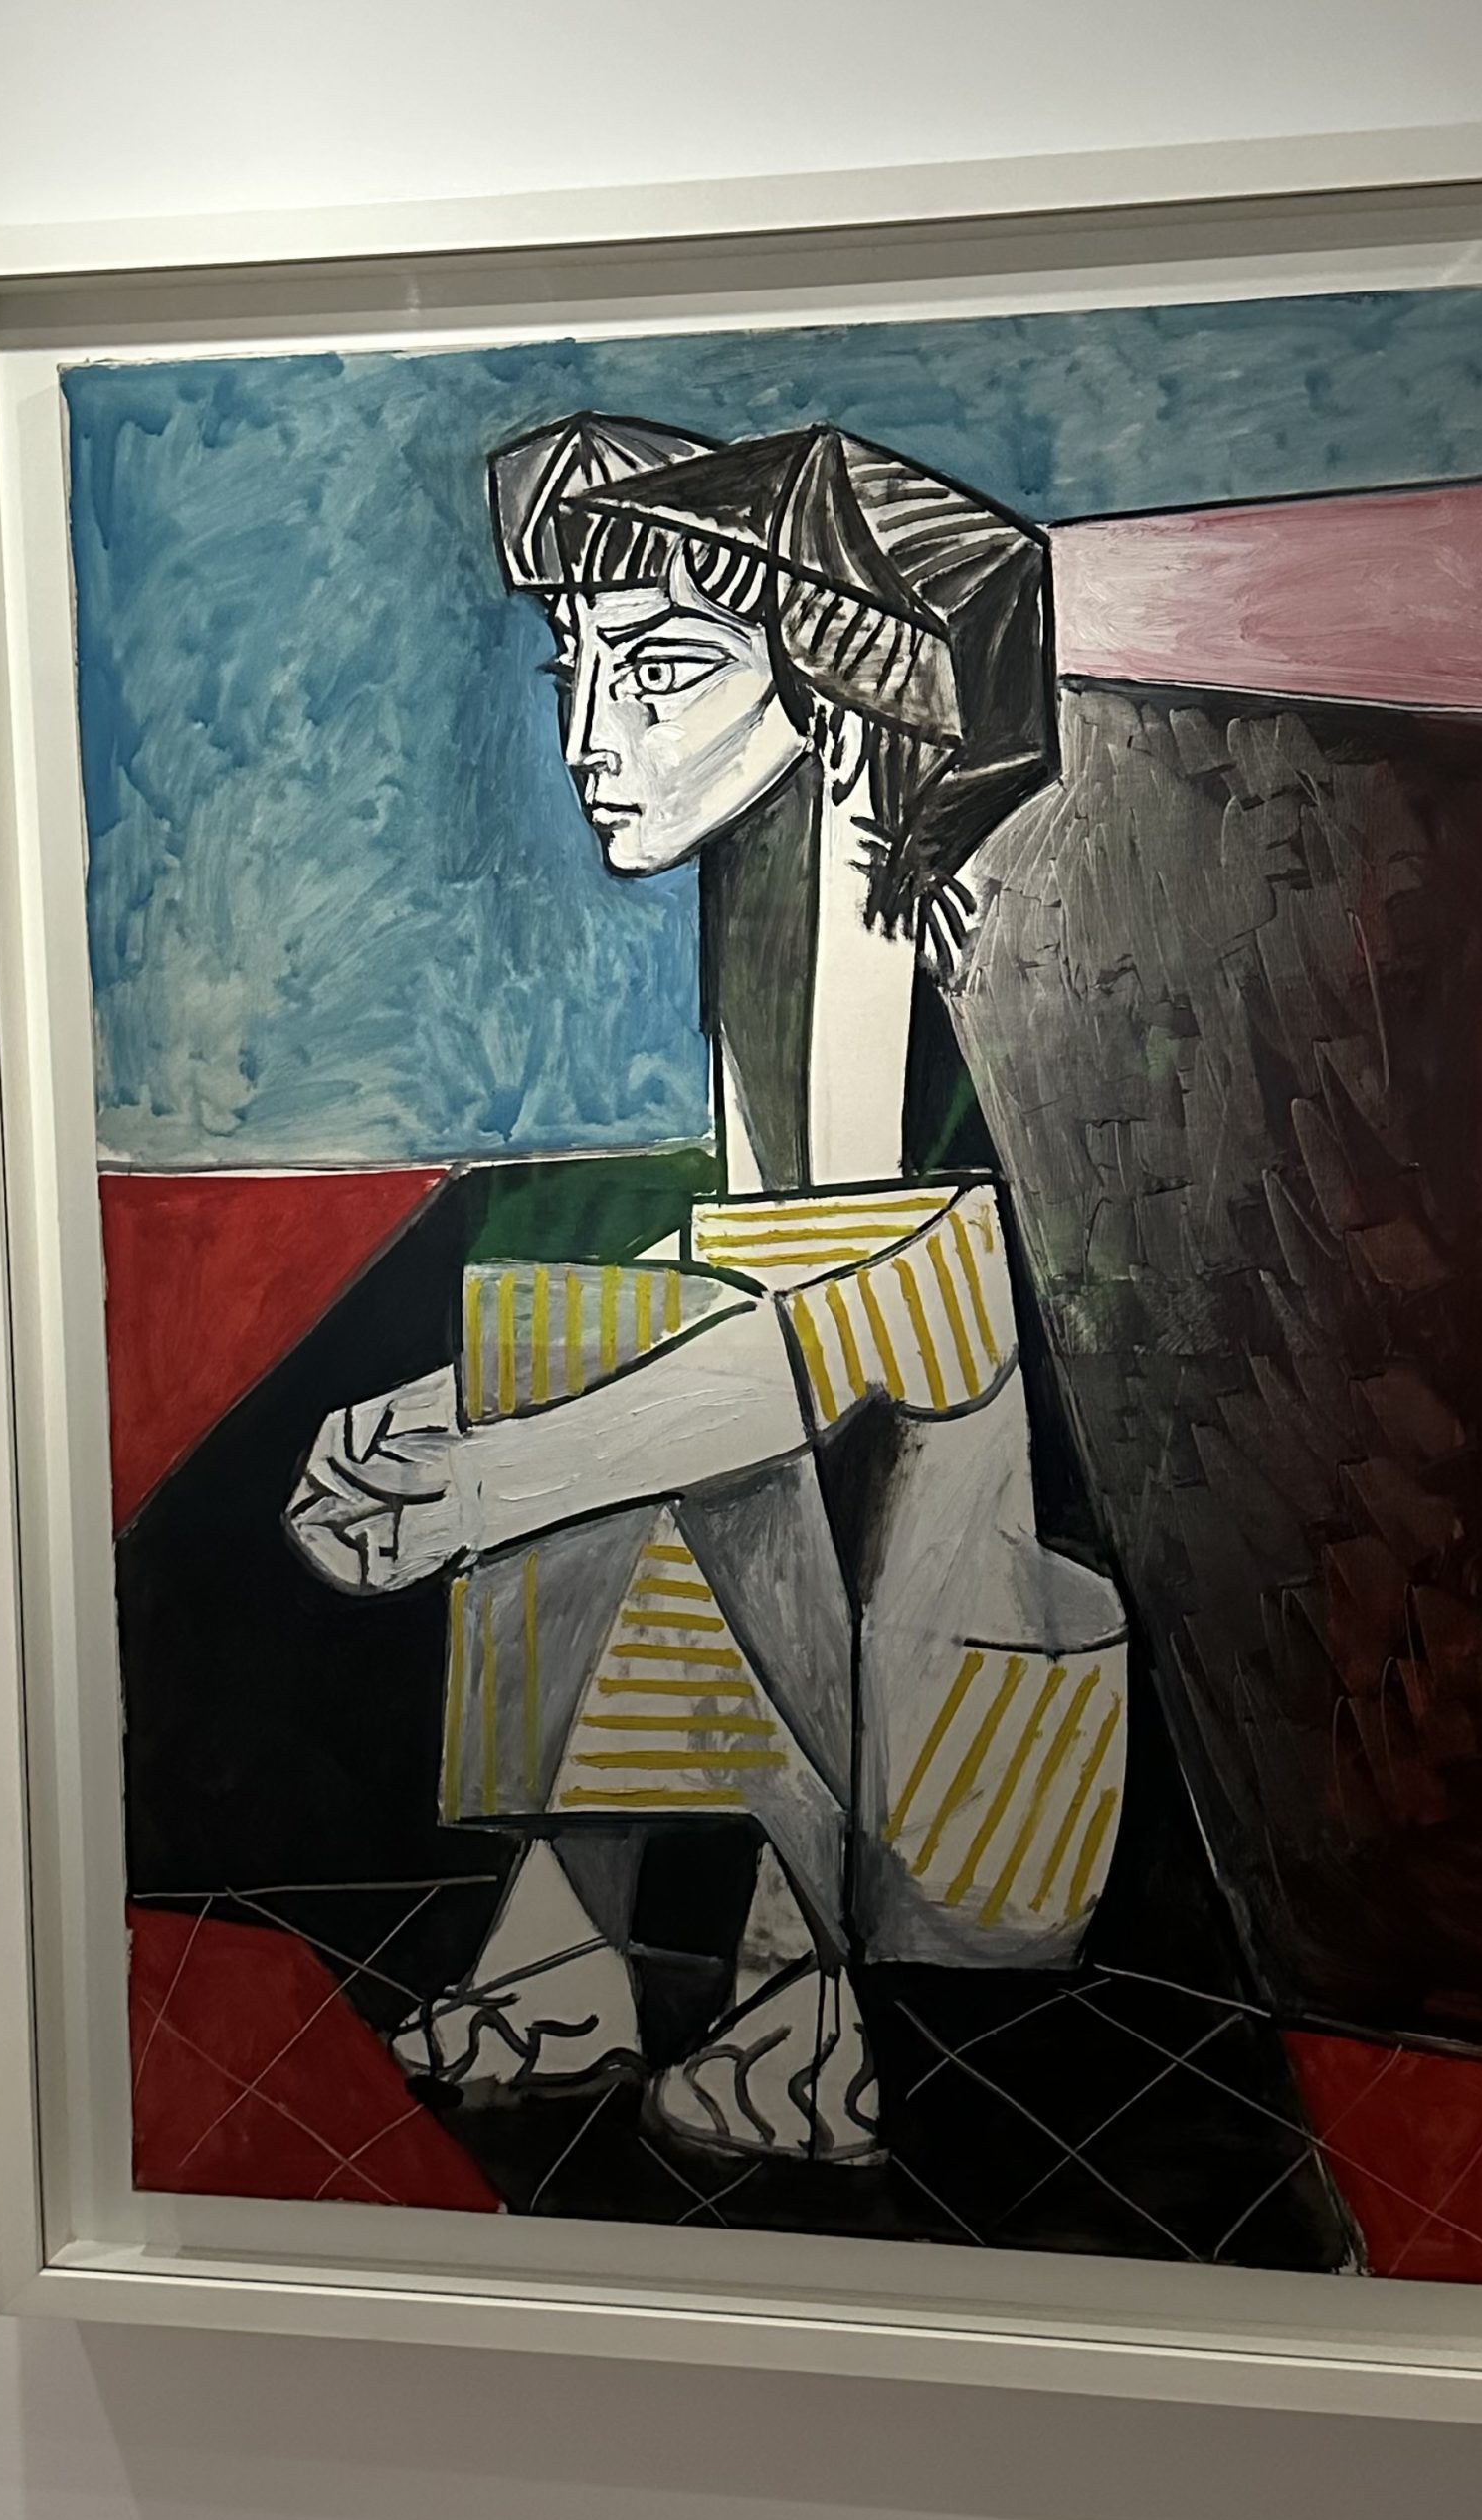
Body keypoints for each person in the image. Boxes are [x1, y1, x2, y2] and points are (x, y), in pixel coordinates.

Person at [284, 414, 1129, 2163]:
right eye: (577, 672)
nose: (592, 739)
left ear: (835, 691)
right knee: (597, 1350)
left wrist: (491, 1475)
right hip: (856, 1633)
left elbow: (872, 1344)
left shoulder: (917, 968)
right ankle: (567, 1946)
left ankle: (803, 1990)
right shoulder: (766, 910)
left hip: (960, 1797)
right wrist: (461, 1418)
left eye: (663, 672)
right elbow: (752, 1292)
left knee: (703, 1414)